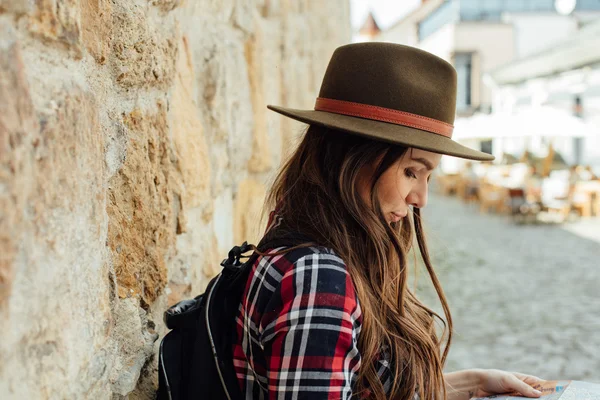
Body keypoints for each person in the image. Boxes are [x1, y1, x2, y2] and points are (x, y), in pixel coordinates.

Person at [232, 43, 545, 400]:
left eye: (428, 177)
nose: (421, 200)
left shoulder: (315, 252)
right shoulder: (318, 278)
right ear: (352, 158)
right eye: (412, 171)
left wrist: (470, 384)